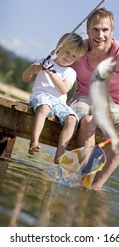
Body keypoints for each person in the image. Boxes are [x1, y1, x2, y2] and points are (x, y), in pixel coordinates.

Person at [70, 7, 119, 190]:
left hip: (116, 105)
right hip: (84, 99)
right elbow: (56, 67)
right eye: (95, 29)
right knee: (89, 119)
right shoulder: (78, 48)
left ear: (112, 30)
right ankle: (85, 179)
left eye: (105, 30)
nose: (100, 35)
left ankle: (96, 186)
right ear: (88, 30)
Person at [22, 33, 86, 163]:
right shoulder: (44, 61)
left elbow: (63, 89)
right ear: (58, 48)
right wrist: (35, 68)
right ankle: (34, 142)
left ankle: (59, 155)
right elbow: (25, 78)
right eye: (67, 52)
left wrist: (51, 73)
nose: (69, 57)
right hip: (41, 97)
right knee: (44, 108)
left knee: (72, 119)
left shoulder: (71, 72)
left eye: (74, 56)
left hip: (59, 102)